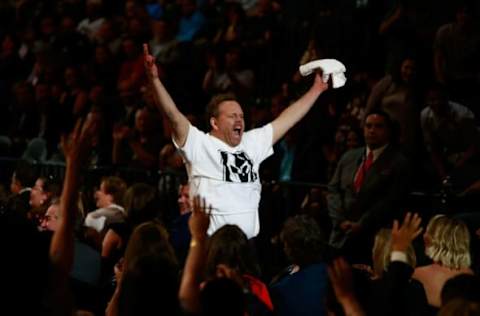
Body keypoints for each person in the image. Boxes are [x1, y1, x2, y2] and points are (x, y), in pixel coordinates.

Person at [144, 43, 329, 238]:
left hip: (246, 247)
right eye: (232, 116)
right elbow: (173, 115)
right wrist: (154, 80)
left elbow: (287, 119)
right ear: (214, 123)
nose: (239, 119)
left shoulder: (252, 142)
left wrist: (316, 89)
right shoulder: (199, 144)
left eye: (241, 115)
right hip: (212, 247)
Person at [327, 110, 410, 262]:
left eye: (378, 126)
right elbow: (333, 190)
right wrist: (339, 220)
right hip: (341, 234)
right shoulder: (349, 157)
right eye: (368, 126)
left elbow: (390, 200)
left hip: (373, 237)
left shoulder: (398, 162)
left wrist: (362, 224)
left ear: (388, 131)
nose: (372, 130)